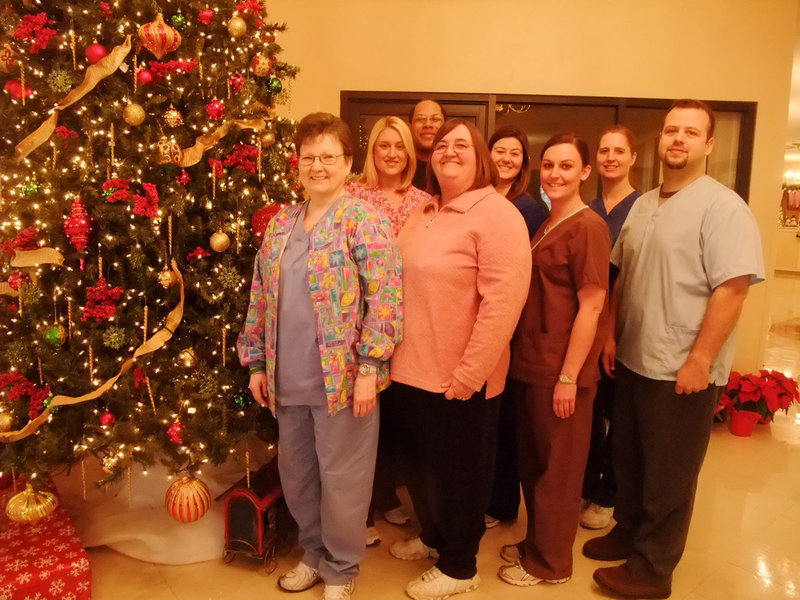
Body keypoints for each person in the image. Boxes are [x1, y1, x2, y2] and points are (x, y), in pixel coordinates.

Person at [585, 100, 764, 599]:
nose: (678, 139)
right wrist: (612, 335)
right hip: (634, 359)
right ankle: (628, 532)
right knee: (629, 460)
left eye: (690, 132)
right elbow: (623, 278)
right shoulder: (644, 205)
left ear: (709, 144)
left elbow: (733, 289)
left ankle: (652, 569)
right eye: (670, 130)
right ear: (660, 140)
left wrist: (700, 360)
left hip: (681, 368)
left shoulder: (723, 208)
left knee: (669, 475)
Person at [237, 112, 402, 600]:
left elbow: (386, 298)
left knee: (343, 480)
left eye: (329, 156)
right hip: (287, 378)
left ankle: (341, 569)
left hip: (343, 381)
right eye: (309, 157)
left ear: (348, 162)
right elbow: (260, 296)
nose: (318, 166)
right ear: (297, 163)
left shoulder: (364, 220)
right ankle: (313, 553)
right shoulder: (281, 223)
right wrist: (257, 363)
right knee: (298, 476)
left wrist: (370, 368)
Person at [388, 119, 531, 600]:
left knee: (459, 475)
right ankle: (433, 538)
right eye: (443, 144)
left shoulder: (497, 215)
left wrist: (470, 374)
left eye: (462, 144)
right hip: (409, 371)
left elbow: (503, 303)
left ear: (480, 157)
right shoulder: (424, 209)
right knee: (420, 469)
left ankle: (459, 566)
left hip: (459, 378)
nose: (450, 150)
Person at [498, 133, 611, 588]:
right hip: (532, 363)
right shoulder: (548, 223)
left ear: (585, 172)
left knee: (558, 473)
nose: (555, 174)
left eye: (566, 166)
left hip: (561, 370)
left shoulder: (588, 227)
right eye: (548, 165)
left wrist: (568, 376)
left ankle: (551, 564)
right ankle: (538, 543)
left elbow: (592, 306)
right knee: (534, 465)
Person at [346, 116, 430, 545]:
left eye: (400, 146)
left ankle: (385, 495)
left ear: (410, 153)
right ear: (373, 151)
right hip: (363, 325)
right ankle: (360, 514)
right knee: (363, 422)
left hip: (412, 323)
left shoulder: (425, 202)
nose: (392, 153)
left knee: (399, 420)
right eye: (384, 145)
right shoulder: (352, 195)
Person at [484, 126, 549, 529]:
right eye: (500, 150)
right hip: (477, 327)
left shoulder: (529, 210)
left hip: (511, 327)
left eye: (515, 153)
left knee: (506, 420)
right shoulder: (476, 200)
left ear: (524, 163)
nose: (506, 159)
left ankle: (501, 502)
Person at [580, 125, 641, 530]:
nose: (611, 158)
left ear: (633, 158)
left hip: (620, 326)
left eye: (619, 151)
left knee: (619, 415)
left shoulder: (644, 208)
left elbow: (629, 276)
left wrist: (611, 333)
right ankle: (586, 484)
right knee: (587, 412)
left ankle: (608, 494)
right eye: (604, 150)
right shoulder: (588, 208)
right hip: (585, 324)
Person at [409, 99, 445, 189]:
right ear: (410, 127)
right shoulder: (399, 169)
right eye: (420, 119)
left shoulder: (454, 168)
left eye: (435, 119)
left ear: (445, 126)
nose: (428, 124)